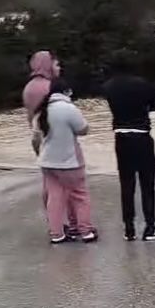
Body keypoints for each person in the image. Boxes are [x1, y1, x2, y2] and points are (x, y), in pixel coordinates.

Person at [104, 53, 155, 242]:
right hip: (141, 136)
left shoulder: (108, 87)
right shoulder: (144, 85)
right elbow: (153, 107)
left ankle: (129, 228)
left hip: (121, 137)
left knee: (127, 184)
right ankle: (150, 227)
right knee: (147, 184)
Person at [33, 78, 98, 245]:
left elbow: (36, 138)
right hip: (69, 162)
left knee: (54, 197)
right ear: (66, 91)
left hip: (47, 162)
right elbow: (83, 129)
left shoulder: (41, 110)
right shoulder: (68, 108)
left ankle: (57, 233)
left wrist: (39, 155)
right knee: (79, 195)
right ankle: (85, 231)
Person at [23, 51, 79, 236]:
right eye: (56, 64)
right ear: (47, 65)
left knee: (49, 184)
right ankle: (70, 223)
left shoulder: (29, 87)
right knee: (66, 185)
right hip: (57, 140)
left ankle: (54, 224)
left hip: (39, 138)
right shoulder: (48, 87)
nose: (59, 68)